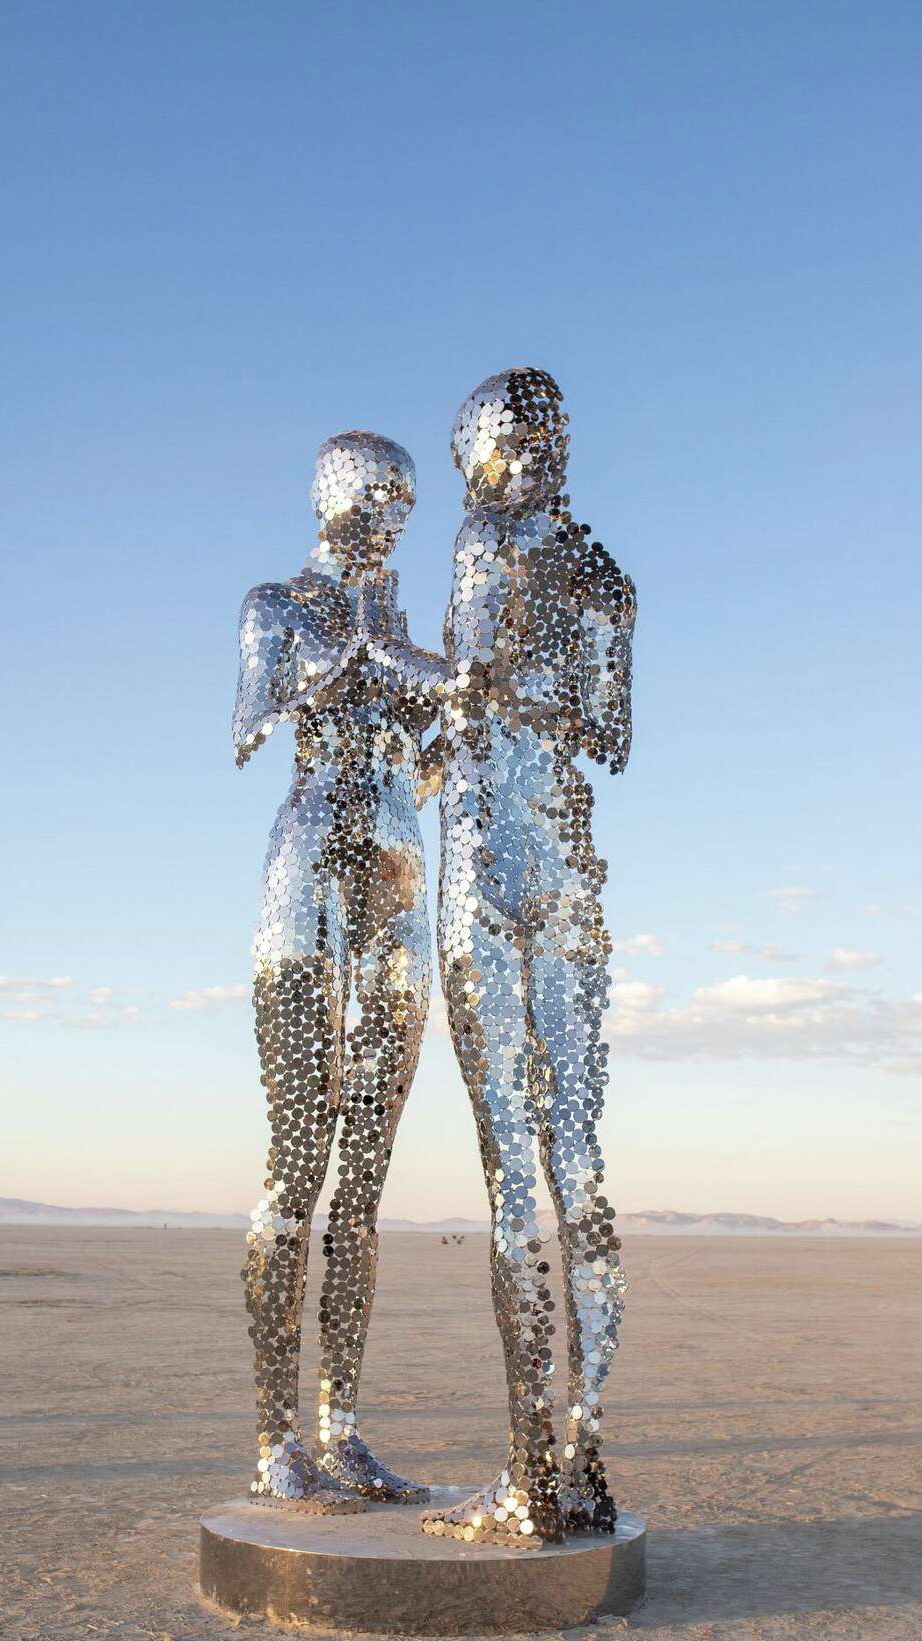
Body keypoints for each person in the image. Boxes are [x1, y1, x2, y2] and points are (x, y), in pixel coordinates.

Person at [421, 368, 637, 1546]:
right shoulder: (605, 575)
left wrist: (420, 676)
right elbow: (608, 731)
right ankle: (585, 1456)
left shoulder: (484, 535)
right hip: (569, 854)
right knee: (584, 1168)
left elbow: (469, 692)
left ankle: (528, 1482)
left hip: (494, 865)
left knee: (517, 1178)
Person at [233, 431, 446, 1512]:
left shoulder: (400, 629)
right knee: (295, 1165)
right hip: (309, 877)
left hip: (399, 881)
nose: (395, 518)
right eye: (382, 497)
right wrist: (365, 641)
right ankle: (277, 1438)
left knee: (363, 1187)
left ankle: (343, 1428)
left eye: (408, 503)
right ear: (336, 496)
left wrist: (449, 695)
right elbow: (257, 712)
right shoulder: (280, 603)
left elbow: (443, 740)